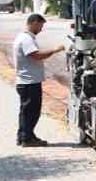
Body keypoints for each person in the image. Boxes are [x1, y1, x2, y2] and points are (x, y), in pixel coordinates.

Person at [13, 13, 63, 147]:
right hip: (29, 83)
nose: (41, 29)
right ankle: (27, 138)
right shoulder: (26, 39)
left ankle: (24, 136)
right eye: (40, 26)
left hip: (26, 82)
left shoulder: (24, 37)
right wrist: (55, 50)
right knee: (31, 111)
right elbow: (36, 55)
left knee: (26, 111)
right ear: (34, 22)